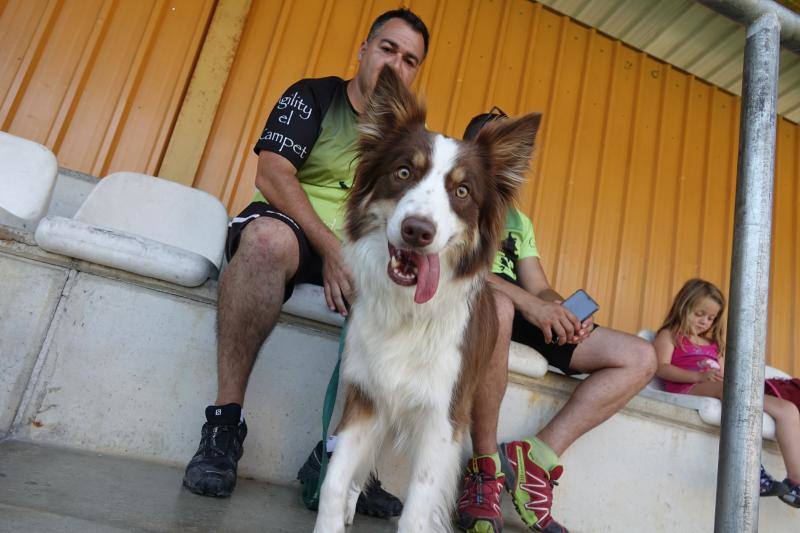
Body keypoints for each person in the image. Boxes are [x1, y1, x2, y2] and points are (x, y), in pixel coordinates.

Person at [181, 8, 430, 519]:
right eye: (388, 48)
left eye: (410, 60)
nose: (395, 65)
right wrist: (332, 249)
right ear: (363, 50)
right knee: (266, 241)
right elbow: (273, 174)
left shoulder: (409, 139)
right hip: (292, 229)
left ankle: (338, 454)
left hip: (359, 251)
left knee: (411, 295)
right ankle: (224, 424)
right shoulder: (314, 96)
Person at [455, 112, 658, 533]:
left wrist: (561, 310)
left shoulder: (518, 222)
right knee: (501, 308)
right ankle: (484, 467)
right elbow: (461, 267)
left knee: (640, 357)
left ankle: (537, 456)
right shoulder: (452, 197)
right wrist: (531, 304)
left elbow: (539, 286)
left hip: (524, 306)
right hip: (477, 306)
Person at [654, 278, 800, 508]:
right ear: (684, 306)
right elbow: (661, 367)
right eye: (699, 314)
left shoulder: (714, 345)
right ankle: (751, 472)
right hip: (689, 386)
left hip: (722, 388)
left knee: (788, 409)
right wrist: (698, 377)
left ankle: (796, 482)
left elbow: (728, 376)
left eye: (711, 318)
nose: (705, 322)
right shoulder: (670, 335)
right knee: (731, 391)